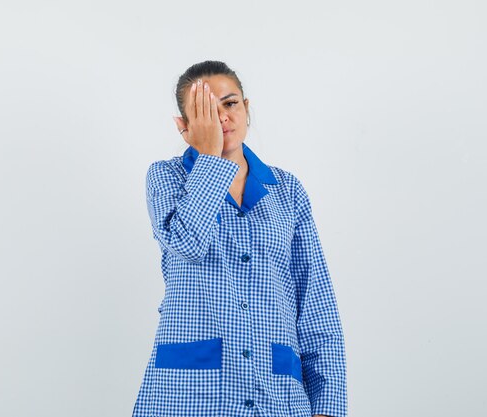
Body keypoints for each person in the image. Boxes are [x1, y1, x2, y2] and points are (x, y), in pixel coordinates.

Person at [131, 60, 347, 417]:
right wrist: (211, 157)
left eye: (229, 104)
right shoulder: (166, 177)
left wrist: (327, 404)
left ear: (246, 108)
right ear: (184, 128)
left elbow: (316, 303)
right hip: (189, 396)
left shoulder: (287, 190)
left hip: (277, 395)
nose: (221, 119)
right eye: (205, 113)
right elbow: (188, 243)